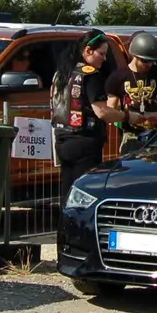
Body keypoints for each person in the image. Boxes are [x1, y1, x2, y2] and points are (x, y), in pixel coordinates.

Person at [52, 30, 129, 205]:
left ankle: (64, 229)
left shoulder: (62, 73)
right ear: (88, 50)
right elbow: (102, 112)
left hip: (61, 139)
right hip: (84, 142)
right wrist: (126, 116)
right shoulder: (90, 75)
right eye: (101, 53)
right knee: (85, 195)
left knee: (67, 193)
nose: (104, 58)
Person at [106, 31, 157, 152]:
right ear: (135, 56)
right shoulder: (118, 76)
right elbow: (110, 111)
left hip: (156, 135)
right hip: (131, 135)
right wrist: (128, 117)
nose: (149, 64)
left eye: (152, 61)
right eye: (145, 61)